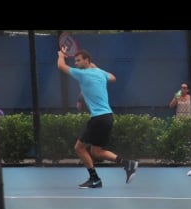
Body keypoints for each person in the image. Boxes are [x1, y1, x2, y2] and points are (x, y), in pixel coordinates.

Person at [57, 48, 138, 188]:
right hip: (107, 117)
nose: (76, 63)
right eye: (75, 61)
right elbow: (113, 77)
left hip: (99, 118)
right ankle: (127, 163)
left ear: (87, 60)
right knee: (96, 151)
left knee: (79, 148)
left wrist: (60, 56)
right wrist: (96, 67)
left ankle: (95, 179)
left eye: (78, 60)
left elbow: (61, 66)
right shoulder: (100, 73)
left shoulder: (82, 74)